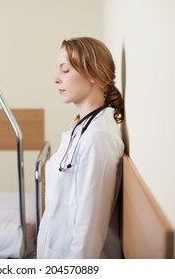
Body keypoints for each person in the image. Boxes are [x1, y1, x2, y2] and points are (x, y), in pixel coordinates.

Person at [37, 37, 125, 259]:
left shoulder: (98, 138)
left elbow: (90, 230)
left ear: (93, 74)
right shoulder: (82, 127)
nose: (56, 78)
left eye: (65, 70)